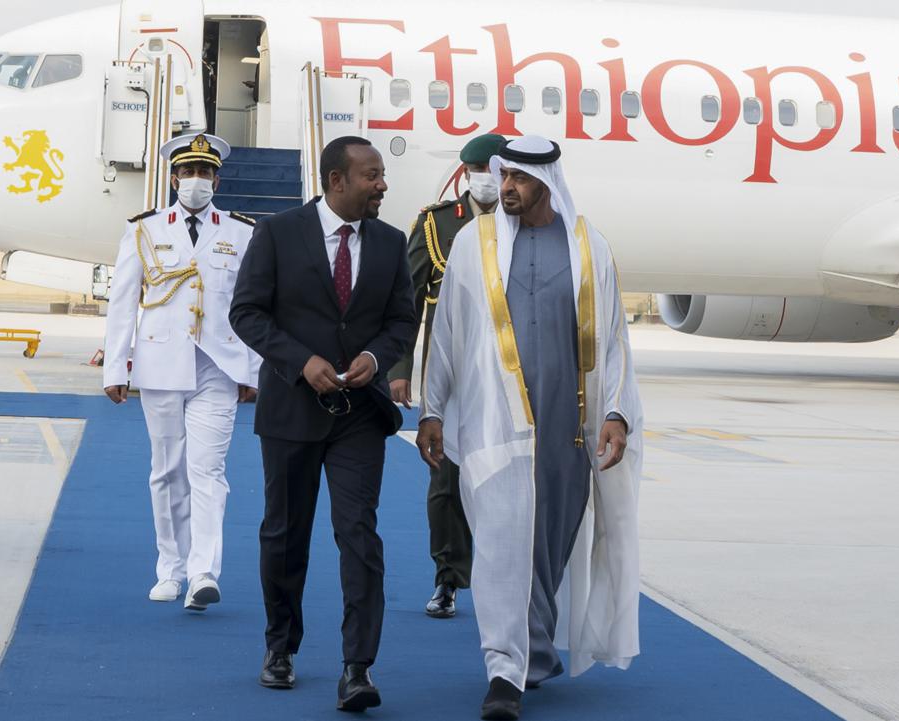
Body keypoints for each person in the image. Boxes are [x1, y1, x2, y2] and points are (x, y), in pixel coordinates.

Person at [416, 136, 644, 720]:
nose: (506, 188)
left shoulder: (588, 245)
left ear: (547, 181)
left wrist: (615, 413)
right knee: (499, 544)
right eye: (503, 176)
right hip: (497, 423)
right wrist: (433, 408)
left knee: (546, 548)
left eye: (518, 179)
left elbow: (614, 338)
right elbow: (448, 332)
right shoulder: (475, 243)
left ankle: (533, 652)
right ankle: (503, 671)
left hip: (569, 430)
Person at [228, 136, 416, 712]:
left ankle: (357, 667)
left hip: (359, 415)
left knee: (359, 534)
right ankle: (280, 647)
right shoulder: (278, 233)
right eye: (372, 175)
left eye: (382, 175)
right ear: (337, 180)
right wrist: (298, 362)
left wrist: (377, 359)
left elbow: (402, 321)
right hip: (291, 410)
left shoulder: (390, 242)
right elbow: (246, 312)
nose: (382, 184)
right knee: (285, 534)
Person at [103, 133, 260, 612]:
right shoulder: (144, 230)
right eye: (188, 172)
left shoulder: (240, 232)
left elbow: (254, 305)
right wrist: (117, 364)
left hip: (218, 365)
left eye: (205, 173)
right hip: (160, 364)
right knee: (167, 471)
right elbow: (123, 301)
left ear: (217, 179)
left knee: (208, 471)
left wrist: (252, 368)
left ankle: (202, 572)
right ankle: (169, 567)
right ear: (174, 177)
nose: (197, 181)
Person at [388, 133, 505, 619]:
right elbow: (407, 304)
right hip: (453, 377)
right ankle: (448, 579)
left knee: (508, 480)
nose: (490, 182)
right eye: (482, 172)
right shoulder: (438, 226)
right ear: (467, 174)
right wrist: (399, 370)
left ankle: (506, 581)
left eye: (498, 173)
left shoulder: (524, 222)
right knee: (447, 480)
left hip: (509, 379)